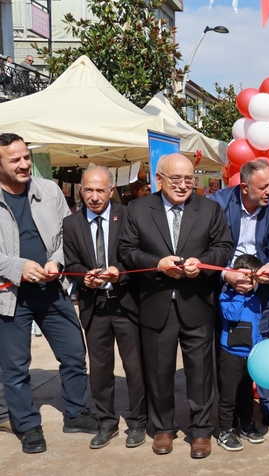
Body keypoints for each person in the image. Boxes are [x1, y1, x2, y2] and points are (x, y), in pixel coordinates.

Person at [119, 153, 233, 459]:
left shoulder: (209, 209)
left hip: (197, 303)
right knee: (159, 372)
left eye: (189, 179)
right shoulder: (138, 209)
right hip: (156, 304)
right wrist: (157, 264)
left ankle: (200, 431)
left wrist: (204, 265)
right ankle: (164, 428)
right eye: (176, 179)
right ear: (159, 180)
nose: (183, 186)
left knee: (200, 372)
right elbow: (127, 251)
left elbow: (224, 247)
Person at [0, 133, 97, 454]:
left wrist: (57, 261)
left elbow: (66, 236)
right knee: (15, 368)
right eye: (15, 159)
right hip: (10, 295)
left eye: (26, 156)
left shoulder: (49, 189)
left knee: (73, 354)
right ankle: (27, 425)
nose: (25, 164)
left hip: (52, 290)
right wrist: (17, 266)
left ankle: (76, 413)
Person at [63, 166, 146, 450]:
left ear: (111, 190)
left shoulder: (127, 216)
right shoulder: (71, 224)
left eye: (100, 190)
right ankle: (107, 422)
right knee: (99, 369)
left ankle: (137, 422)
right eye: (89, 190)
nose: (94, 196)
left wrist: (119, 271)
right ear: (81, 191)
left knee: (134, 366)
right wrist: (82, 276)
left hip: (126, 303)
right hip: (93, 305)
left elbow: (136, 257)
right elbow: (70, 263)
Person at [209, 159, 269, 435]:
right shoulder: (218, 203)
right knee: (227, 355)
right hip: (224, 287)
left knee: (261, 348)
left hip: (261, 291)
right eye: (264, 186)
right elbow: (207, 249)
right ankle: (228, 417)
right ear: (244, 187)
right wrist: (227, 274)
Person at [216, 254, 267, 452]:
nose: (249, 283)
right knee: (228, 395)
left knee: (246, 394)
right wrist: (239, 294)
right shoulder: (226, 295)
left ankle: (246, 425)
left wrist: (259, 346)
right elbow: (231, 315)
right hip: (231, 354)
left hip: (250, 355)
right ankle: (226, 430)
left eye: (253, 279)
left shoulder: (256, 299)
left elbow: (257, 325)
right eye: (245, 277)